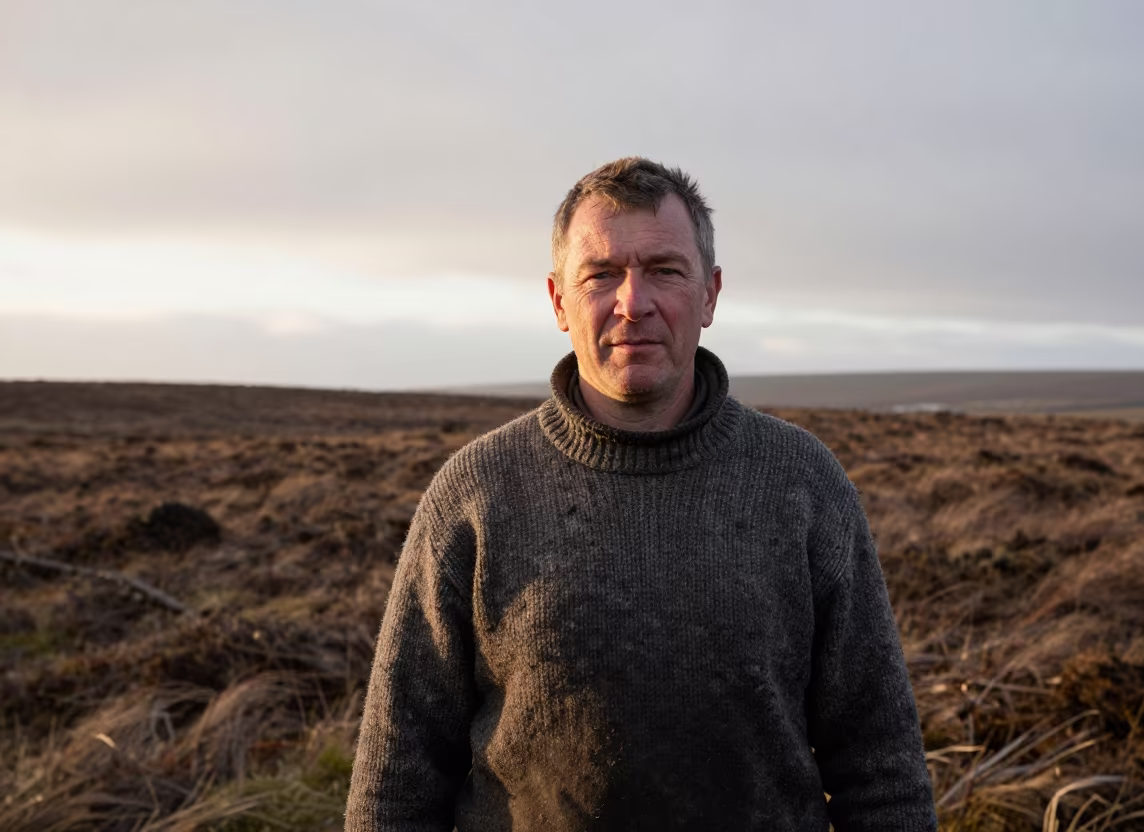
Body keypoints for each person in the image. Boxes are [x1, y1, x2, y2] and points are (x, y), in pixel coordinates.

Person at [345, 157, 937, 831]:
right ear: (558, 301)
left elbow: (880, 763)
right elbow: (397, 783)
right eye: (601, 274)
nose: (634, 302)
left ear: (710, 294)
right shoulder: (476, 494)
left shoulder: (803, 483)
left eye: (664, 269)